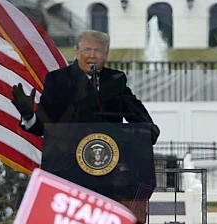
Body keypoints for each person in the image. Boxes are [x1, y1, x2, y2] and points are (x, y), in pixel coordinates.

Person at [11, 30, 159, 144]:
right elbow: (43, 127)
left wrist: (147, 130)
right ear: (77, 52)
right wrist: (28, 115)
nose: (92, 56)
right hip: (68, 159)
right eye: (87, 50)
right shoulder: (58, 80)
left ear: (106, 55)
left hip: (107, 159)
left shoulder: (115, 80)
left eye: (98, 51)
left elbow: (138, 116)